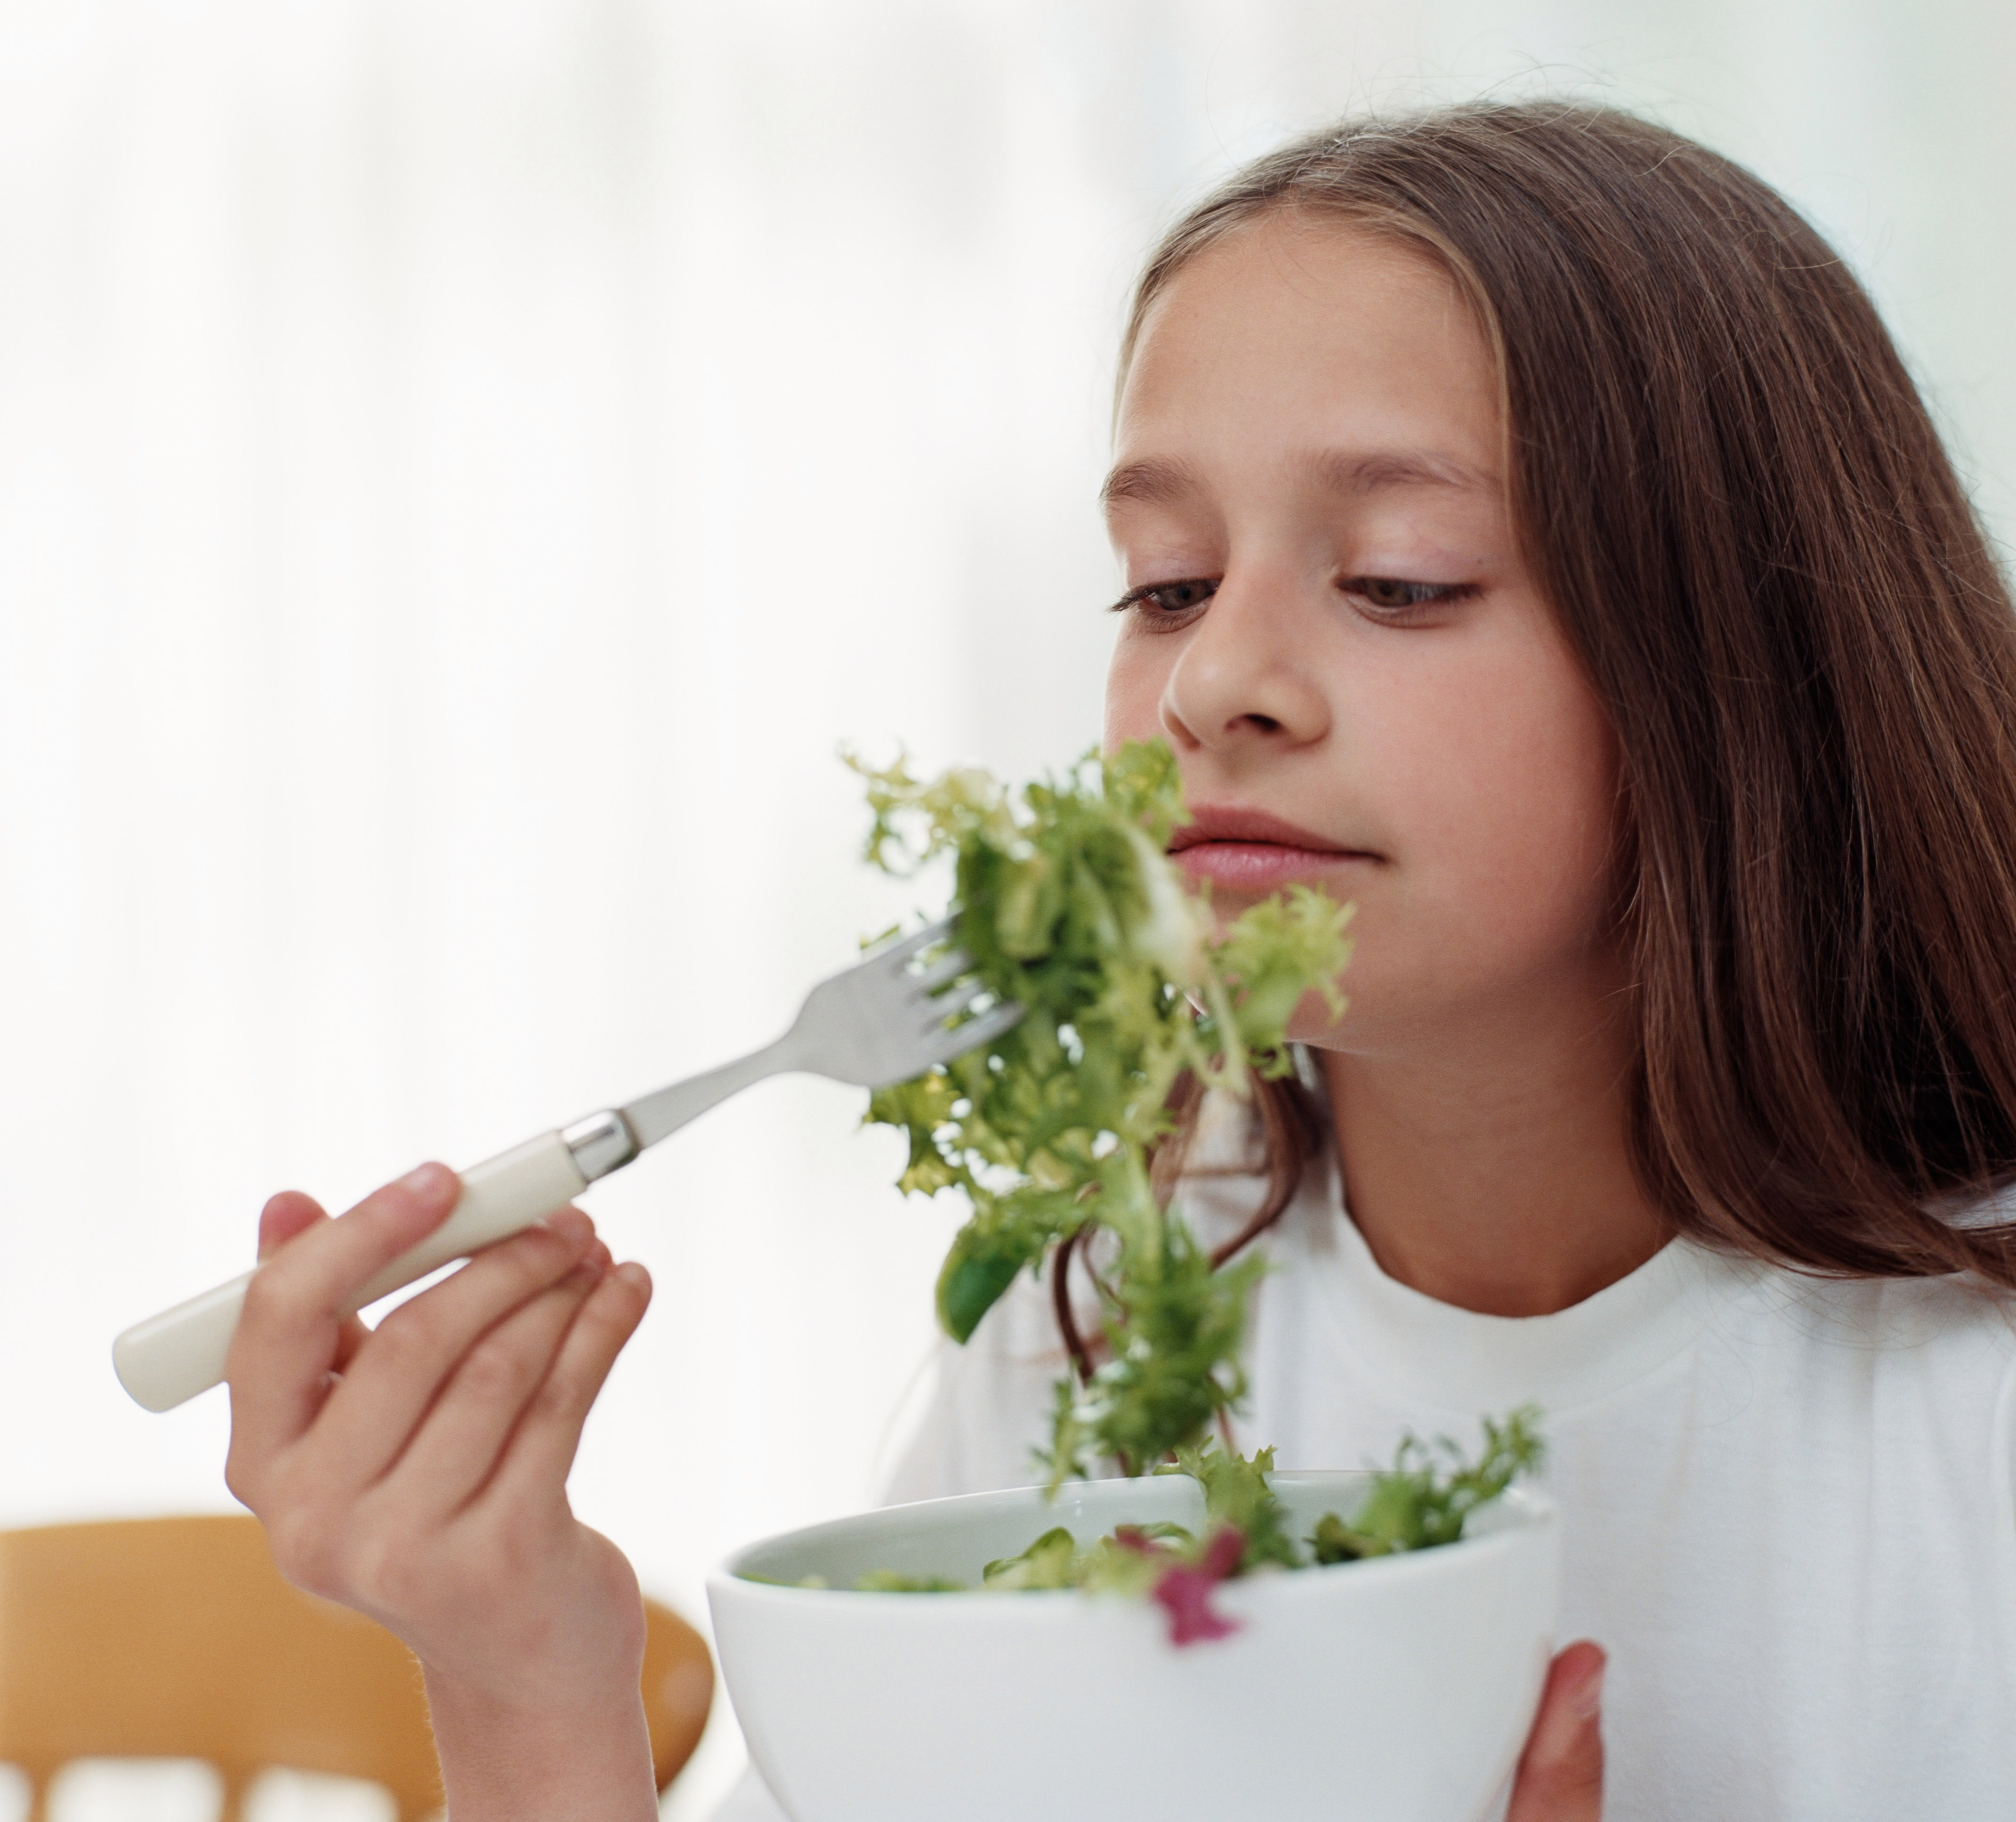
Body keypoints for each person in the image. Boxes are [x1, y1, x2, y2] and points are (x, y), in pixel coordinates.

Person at [219, 101, 2016, 1822]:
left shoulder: (1962, 1401)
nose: (1205, 684)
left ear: (1747, 660)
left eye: (1397, 578)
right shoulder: (1100, 1306)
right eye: (1164, 583)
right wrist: (527, 1696)